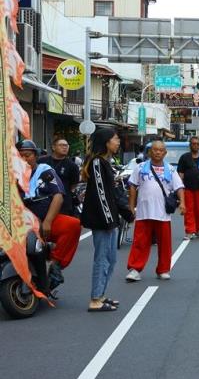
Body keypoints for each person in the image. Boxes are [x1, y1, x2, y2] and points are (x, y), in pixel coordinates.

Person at [17, 140, 81, 292]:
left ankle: (55, 264)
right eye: (21, 156)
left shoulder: (44, 170)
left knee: (73, 225)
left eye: (28, 155)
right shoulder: (11, 175)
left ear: (35, 156)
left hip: (44, 222)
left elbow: (58, 196)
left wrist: (47, 221)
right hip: (19, 224)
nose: (25, 159)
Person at [126, 139, 186, 281]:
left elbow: (179, 187)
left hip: (162, 213)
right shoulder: (140, 168)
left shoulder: (170, 169)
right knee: (140, 242)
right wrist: (131, 205)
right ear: (149, 152)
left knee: (164, 243)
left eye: (160, 150)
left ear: (165, 153)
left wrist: (182, 203)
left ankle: (163, 269)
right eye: (154, 150)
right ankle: (135, 269)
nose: (157, 152)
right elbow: (132, 186)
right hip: (143, 212)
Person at [81, 128, 122, 312]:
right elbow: (101, 194)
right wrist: (108, 220)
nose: (118, 141)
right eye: (115, 138)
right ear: (106, 142)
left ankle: (101, 294)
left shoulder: (105, 162)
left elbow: (111, 193)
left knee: (111, 259)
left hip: (110, 219)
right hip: (102, 220)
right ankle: (95, 299)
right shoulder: (97, 163)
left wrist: (122, 214)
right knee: (102, 259)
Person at [39, 137, 81, 217]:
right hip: (42, 200)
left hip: (63, 203)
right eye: (61, 145)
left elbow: (73, 185)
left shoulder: (72, 165)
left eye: (66, 145)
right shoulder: (42, 161)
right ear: (53, 147)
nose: (65, 147)